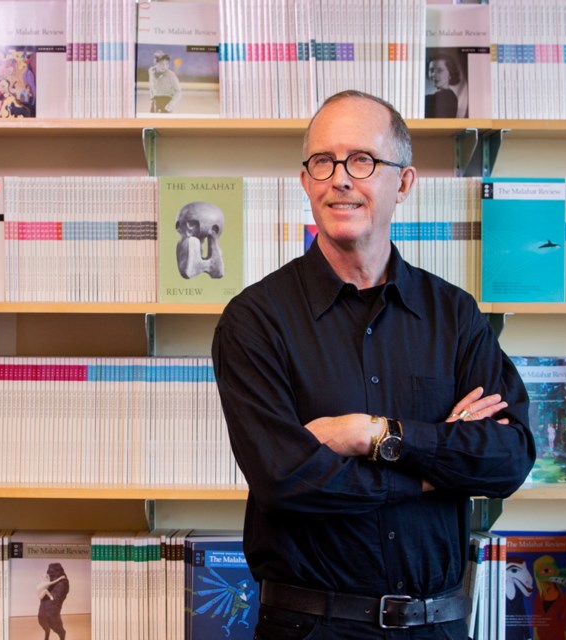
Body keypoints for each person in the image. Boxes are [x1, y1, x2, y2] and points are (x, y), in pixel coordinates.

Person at [211, 90, 535, 639]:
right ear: (305, 180)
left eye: (362, 160)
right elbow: (288, 481)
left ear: (404, 182)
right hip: (311, 627)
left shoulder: (454, 315)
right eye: (323, 162)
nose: (340, 179)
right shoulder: (254, 321)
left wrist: (374, 434)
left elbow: (508, 459)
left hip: (439, 626)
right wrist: (434, 476)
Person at [424, 54, 461, 118]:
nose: (434, 75)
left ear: (450, 73)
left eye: (439, 71)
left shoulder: (447, 97)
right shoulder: (451, 96)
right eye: (431, 70)